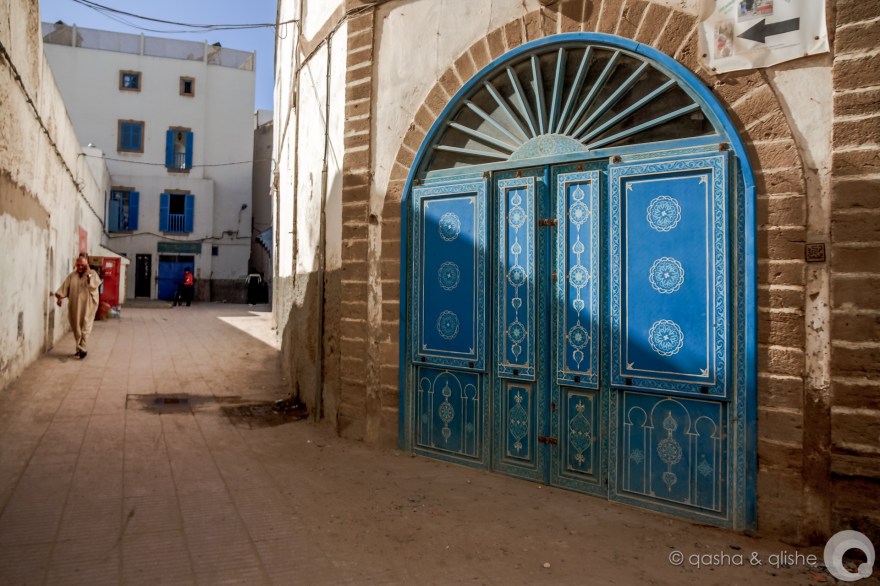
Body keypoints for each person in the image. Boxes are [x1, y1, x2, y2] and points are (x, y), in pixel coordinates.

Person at [54, 254, 101, 359]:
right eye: (78, 265)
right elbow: (64, 288)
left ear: (87, 264)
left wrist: (88, 273)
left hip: (87, 306)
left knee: (85, 325)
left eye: (82, 265)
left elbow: (93, 285)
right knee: (76, 328)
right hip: (75, 306)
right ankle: (79, 348)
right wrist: (59, 298)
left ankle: (83, 347)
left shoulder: (92, 274)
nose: (79, 267)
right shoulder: (72, 276)